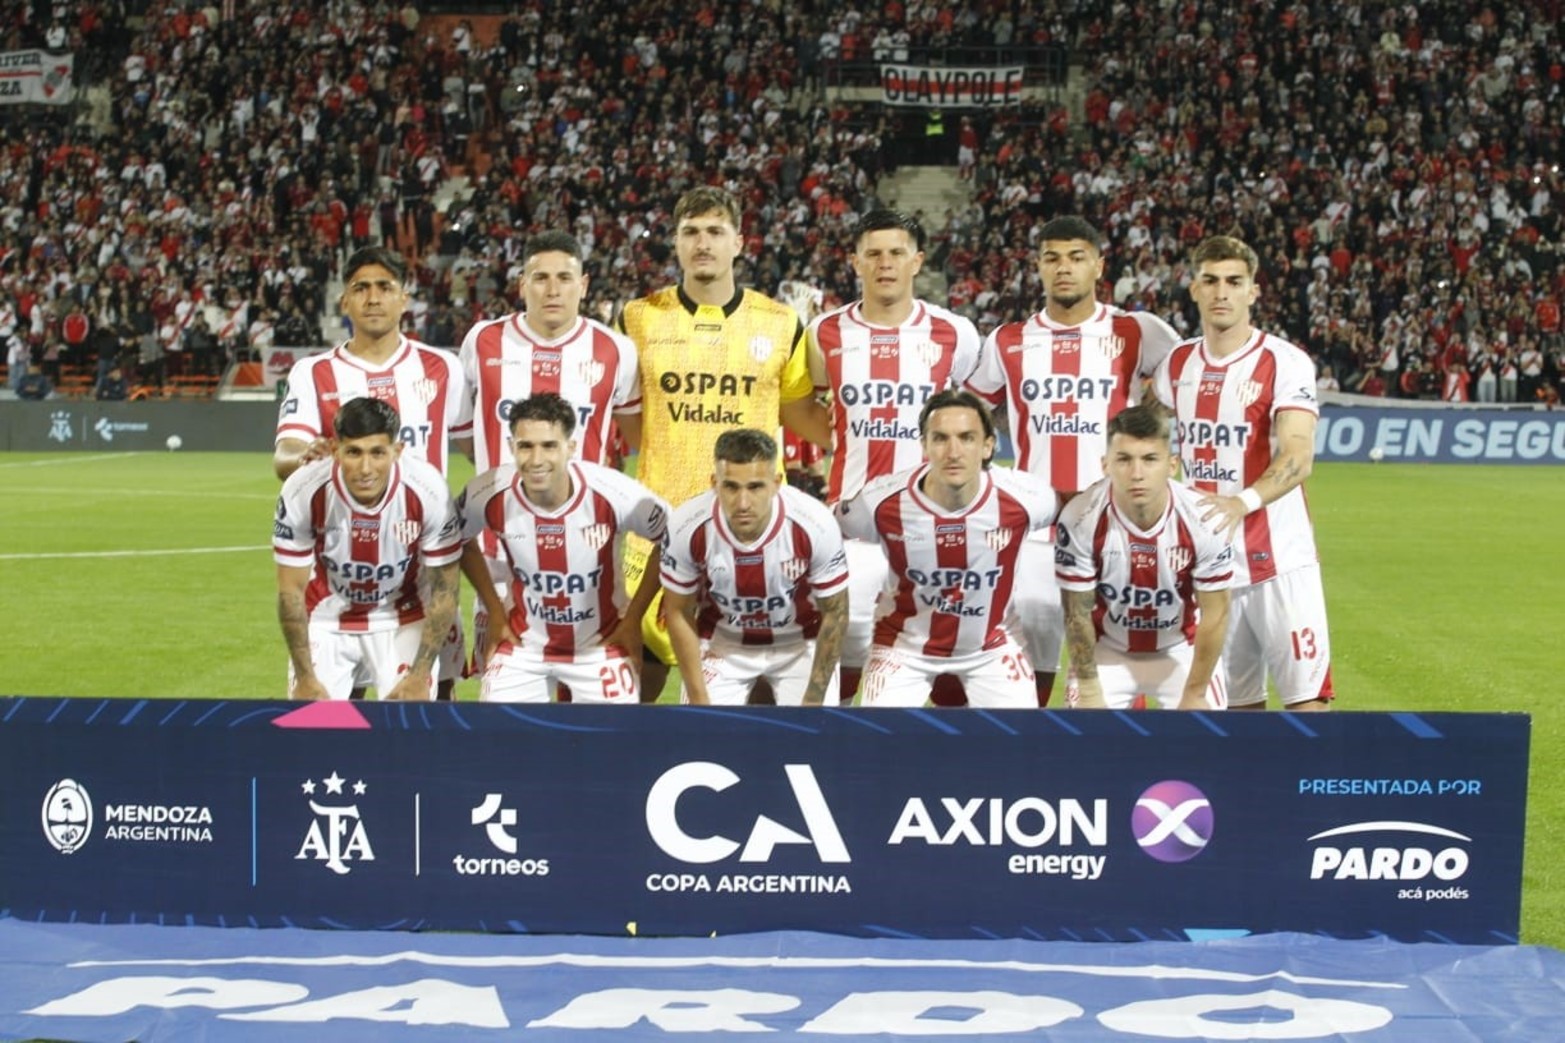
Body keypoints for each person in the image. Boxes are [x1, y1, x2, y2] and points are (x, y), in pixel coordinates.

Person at [616, 186, 829, 700]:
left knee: (746, 692)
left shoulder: (779, 323)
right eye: (690, 232)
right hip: (655, 532)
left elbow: (800, 413)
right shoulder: (637, 318)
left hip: (747, 532)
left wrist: (862, 439)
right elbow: (624, 424)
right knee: (632, 690)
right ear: (675, 243)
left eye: (715, 231)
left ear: (740, 242)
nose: (702, 243)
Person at [966, 215, 1179, 705]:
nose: (1064, 269)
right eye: (1052, 258)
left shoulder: (1137, 331)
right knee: (1030, 664)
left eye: (1077, 258)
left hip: (1116, 523)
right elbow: (974, 408)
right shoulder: (1008, 340)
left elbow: (1180, 385)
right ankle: (1033, 760)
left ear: (1098, 266)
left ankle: (1118, 767)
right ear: (1038, 267)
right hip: (1037, 529)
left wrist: (1146, 436)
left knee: (1122, 659)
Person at [274, 245, 469, 698]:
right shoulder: (314, 372)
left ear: (405, 298)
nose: (373, 298)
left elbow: (474, 448)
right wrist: (305, 456)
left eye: (385, 287)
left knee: (424, 706)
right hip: (341, 566)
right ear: (344, 301)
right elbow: (285, 452)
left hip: (420, 569)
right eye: (361, 288)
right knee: (334, 718)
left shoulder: (443, 368)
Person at [807, 208, 981, 704]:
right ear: (855, 262)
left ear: (917, 261)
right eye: (874, 254)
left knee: (947, 657)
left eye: (896, 253)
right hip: (854, 528)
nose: (885, 264)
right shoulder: (824, 333)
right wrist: (839, 438)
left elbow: (968, 416)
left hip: (933, 528)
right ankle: (836, 761)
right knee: (843, 655)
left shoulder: (955, 333)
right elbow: (802, 404)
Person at [1152, 235, 1333, 711]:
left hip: (1281, 562)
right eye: (1210, 281)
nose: (1221, 292)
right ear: (1193, 289)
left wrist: (1241, 503)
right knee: (1234, 712)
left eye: (1234, 282)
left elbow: (1298, 455)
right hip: (1211, 567)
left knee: (1308, 705)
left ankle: (1302, 789)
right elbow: (1147, 437)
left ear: (1254, 291)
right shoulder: (1176, 365)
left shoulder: (1284, 361)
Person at [454, 231, 641, 674]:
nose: (552, 289)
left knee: (587, 672)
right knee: (503, 672)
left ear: (585, 285)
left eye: (564, 277)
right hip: (500, 544)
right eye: (540, 278)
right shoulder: (482, 341)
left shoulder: (616, 350)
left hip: (590, 545)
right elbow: (467, 436)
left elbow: (631, 434)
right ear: (522, 284)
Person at [836, 389, 1057, 708]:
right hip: (904, 647)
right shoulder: (880, 501)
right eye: (940, 438)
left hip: (991, 647)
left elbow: (1079, 514)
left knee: (1019, 746)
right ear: (924, 445)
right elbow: (826, 530)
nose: (953, 452)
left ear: (988, 446)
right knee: (878, 745)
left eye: (967, 438)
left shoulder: (1028, 498)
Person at [458, 393, 670, 703]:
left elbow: (672, 540)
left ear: (570, 447)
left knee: (613, 745)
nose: (536, 459)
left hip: (601, 646)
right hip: (523, 646)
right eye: (525, 446)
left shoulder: (615, 493)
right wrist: (495, 609)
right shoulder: (487, 492)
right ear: (510, 447)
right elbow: (458, 540)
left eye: (549, 445)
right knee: (498, 740)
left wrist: (633, 618)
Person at [273, 397, 462, 702]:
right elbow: (289, 592)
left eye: (377, 453)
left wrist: (419, 675)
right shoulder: (302, 490)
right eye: (353, 453)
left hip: (402, 616)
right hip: (326, 619)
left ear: (397, 452)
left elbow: (445, 590)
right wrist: (305, 676)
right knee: (315, 727)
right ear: (335, 450)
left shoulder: (428, 490)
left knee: (409, 725)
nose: (365, 468)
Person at [1055, 405, 1234, 711]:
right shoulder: (1079, 518)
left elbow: (1216, 614)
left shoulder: (1204, 520)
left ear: (1172, 464)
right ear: (1105, 465)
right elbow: (1076, 614)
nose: (1136, 474)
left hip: (1180, 650)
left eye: (1150, 459)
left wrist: (1195, 693)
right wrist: (1088, 689)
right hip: (1107, 650)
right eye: (1123, 460)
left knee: (1204, 742)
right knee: (1085, 743)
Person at [660, 428, 849, 706]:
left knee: (807, 748)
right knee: (701, 747)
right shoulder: (687, 525)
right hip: (722, 646)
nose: (743, 503)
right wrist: (699, 700)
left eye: (755, 487)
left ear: (776, 482)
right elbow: (677, 612)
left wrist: (813, 700)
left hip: (800, 644)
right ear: (715, 483)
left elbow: (836, 613)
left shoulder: (815, 523)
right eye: (731, 487)